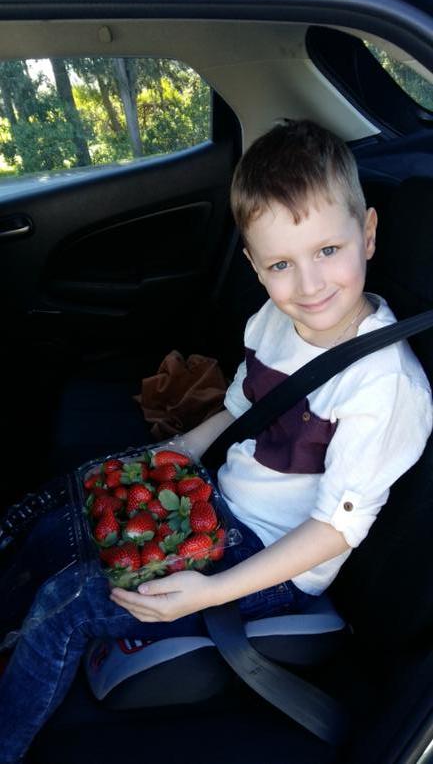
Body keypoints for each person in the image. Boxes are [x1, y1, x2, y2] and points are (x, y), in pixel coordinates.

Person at [0, 119, 431, 763]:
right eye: (281, 264)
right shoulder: (275, 319)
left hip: (276, 562)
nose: (309, 285)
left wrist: (210, 593)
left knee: (71, 604)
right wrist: (178, 452)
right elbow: (240, 407)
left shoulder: (384, 386)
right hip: (217, 502)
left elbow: (334, 532)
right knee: (65, 515)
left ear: (367, 234)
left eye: (327, 250)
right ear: (255, 266)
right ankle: (14, 626)